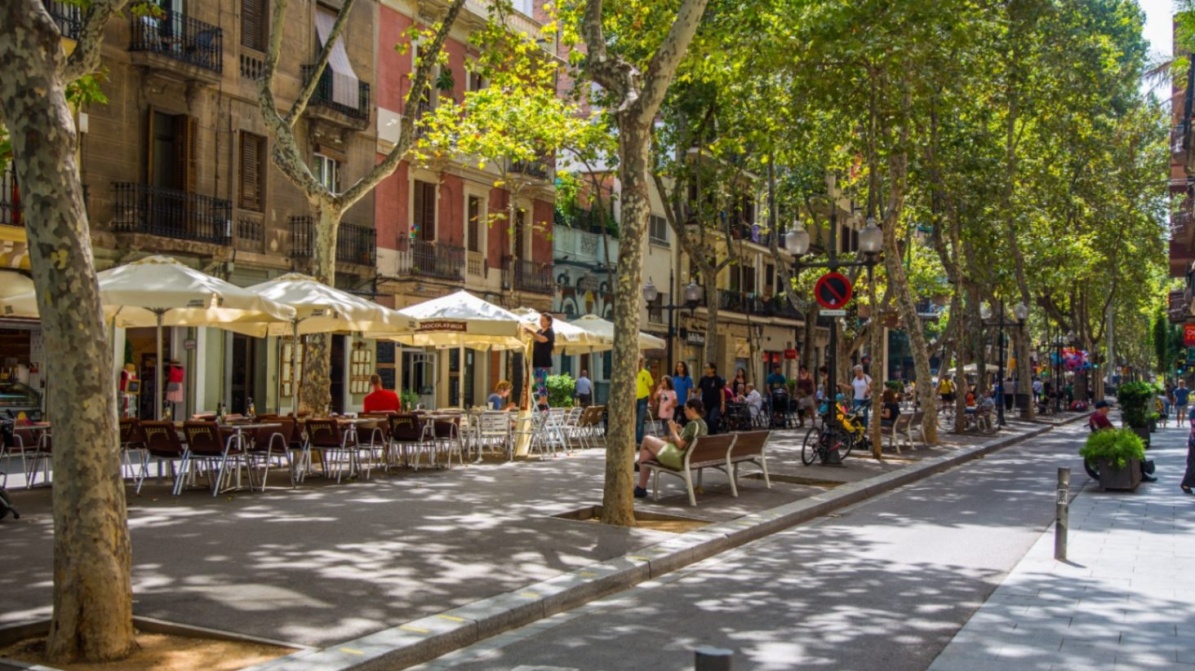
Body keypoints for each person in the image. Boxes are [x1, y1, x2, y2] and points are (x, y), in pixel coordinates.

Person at [633, 398, 708, 498]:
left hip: (680, 458)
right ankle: (641, 488)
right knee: (645, 454)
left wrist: (673, 431)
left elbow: (681, 445)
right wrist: (680, 431)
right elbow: (688, 441)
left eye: (686, 409)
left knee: (647, 439)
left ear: (693, 409)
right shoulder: (703, 424)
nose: (684, 412)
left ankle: (638, 464)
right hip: (690, 458)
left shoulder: (693, 425)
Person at [1089, 400, 1157, 482]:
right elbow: (1110, 430)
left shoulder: (1095, 416)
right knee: (1134, 447)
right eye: (1107, 408)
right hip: (1110, 441)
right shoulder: (1100, 417)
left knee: (1135, 445)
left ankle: (1143, 471)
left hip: (1107, 439)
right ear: (1102, 408)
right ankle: (1143, 472)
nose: (1108, 410)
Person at [524, 313, 555, 408]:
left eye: (543, 320)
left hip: (543, 362)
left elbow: (542, 340)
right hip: (536, 362)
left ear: (549, 321)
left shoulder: (550, 332)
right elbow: (534, 339)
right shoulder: (539, 331)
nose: (541, 322)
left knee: (541, 382)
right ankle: (542, 401)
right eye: (540, 320)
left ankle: (543, 402)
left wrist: (532, 332)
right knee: (538, 381)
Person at [699, 362, 726, 434]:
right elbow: (699, 390)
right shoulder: (703, 379)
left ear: (713, 369)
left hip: (716, 403)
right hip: (705, 403)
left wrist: (723, 404)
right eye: (705, 368)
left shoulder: (718, 379)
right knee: (705, 420)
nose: (706, 369)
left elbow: (722, 391)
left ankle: (714, 434)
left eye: (708, 368)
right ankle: (708, 435)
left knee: (712, 419)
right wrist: (698, 401)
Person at [636, 356, 654, 444]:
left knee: (640, 420)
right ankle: (633, 440)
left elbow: (651, 385)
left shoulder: (646, 373)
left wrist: (651, 398)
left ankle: (638, 441)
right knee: (633, 421)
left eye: (640, 362)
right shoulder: (631, 374)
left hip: (643, 399)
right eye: (636, 361)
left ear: (642, 363)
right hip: (633, 400)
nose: (638, 363)